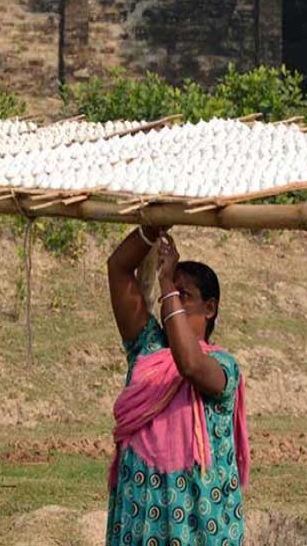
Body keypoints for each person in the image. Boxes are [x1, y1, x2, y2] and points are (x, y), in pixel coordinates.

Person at [105, 225, 248, 546]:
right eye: (172, 296)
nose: (174, 305)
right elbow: (118, 268)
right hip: (141, 520)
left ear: (209, 309)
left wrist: (167, 282)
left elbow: (189, 364)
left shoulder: (223, 367)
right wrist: (151, 229)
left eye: (185, 297)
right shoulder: (147, 349)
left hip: (199, 528)